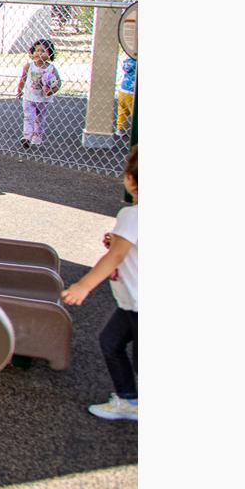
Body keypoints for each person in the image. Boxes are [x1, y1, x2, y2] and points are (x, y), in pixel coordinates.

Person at [61, 147, 138, 421]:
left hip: (138, 303)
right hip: (130, 303)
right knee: (110, 342)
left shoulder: (133, 215)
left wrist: (84, 285)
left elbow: (115, 256)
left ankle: (130, 399)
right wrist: (119, 241)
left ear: (130, 180)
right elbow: (123, 248)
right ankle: (128, 398)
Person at [15, 38, 62, 148]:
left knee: (39, 119)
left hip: (43, 99)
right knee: (28, 117)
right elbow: (23, 79)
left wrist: (52, 91)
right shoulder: (29, 66)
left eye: (43, 51)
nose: (39, 53)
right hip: (29, 97)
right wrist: (19, 90)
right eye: (37, 50)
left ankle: (36, 138)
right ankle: (27, 137)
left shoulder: (51, 68)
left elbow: (58, 83)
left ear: (50, 54)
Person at [115, 56, 136, 137]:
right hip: (132, 93)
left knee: (122, 110)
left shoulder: (127, 61)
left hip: (122, 90)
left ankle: (120, 129)